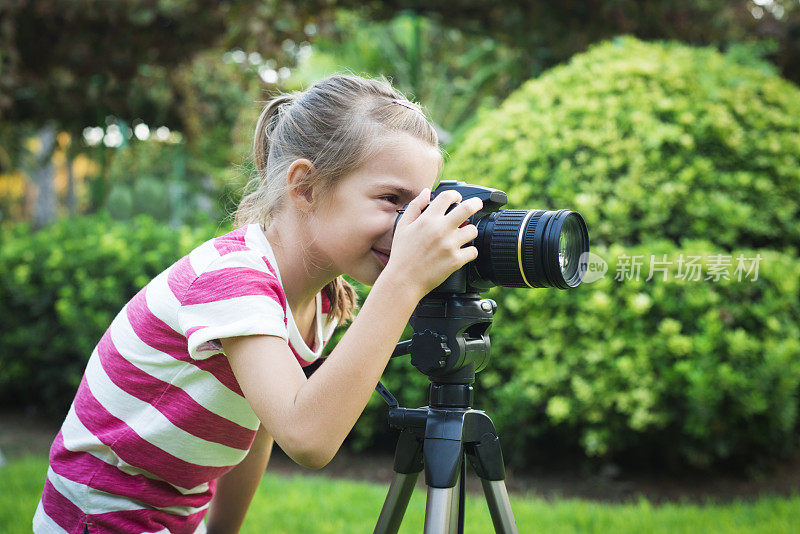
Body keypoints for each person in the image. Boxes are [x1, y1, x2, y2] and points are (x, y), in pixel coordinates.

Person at [33, 74, 483, 533]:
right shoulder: (234, 279)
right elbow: (308, 438)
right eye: (392, 200)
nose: (413, 224)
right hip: (98, 513)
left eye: (421, 206)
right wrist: (403, 282)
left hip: (167, 516)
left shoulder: (321, 299)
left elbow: (261, 424)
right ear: (305, 187)